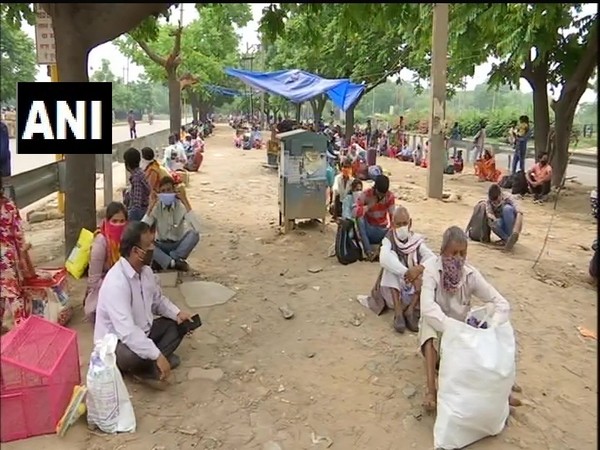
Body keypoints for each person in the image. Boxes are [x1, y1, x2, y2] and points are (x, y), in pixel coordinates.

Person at [419, 226, 519, 412]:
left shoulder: (470, 275)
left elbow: (500, 302)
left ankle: (501, 390)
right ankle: (431, 391)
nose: (458, 258)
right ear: (443, 252)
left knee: (488, 322)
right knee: (427, 325)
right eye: (453, 253)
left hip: (461, 337)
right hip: (442, 332)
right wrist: (451, 327)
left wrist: (493, 326)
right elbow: (427, 307)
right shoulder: (432, 270)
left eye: (462, 253)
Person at [94, 221, 195, 389]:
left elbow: (157, 301)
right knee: (130, 355)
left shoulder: (146, 271)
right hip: (119, 344)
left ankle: (148, 366)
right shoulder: (116, 283)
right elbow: (127, 332)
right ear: (135, 251)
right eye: (149, 246)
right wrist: (157, 355)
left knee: (179, 325)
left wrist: (177, 313)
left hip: (143, 332)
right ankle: (149, 365)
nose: (153, 249)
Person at [368, 206, 435, 333]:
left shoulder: (416, 240)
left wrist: (418, 269)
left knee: (425, 269)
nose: (402, 227)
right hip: (393, 294)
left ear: (410, 223)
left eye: (405, 223)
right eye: (398, 224)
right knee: (390, 262)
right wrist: (407, 273)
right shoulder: (388, 240)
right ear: (392, 225)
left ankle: (410, 311)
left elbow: (432, 258)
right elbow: (384, 259)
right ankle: (398, 313)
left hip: (413, 292)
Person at [142, 176, 200, 272]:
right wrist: (150, 206)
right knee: (145, 242)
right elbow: (142, 228)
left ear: (174, 190)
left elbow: (197, 228)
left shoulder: (180, 206)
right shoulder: (156, 207)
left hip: (176, 246)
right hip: (161, 245)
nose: (166, 193)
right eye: (163, 191)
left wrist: (185, 200)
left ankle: (167, 261)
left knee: (194, 235)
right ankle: (174, 263)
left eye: (169, 190)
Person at [84, 202, 128, 324]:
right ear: (107, 221)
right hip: (104, 286)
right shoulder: (101, 243)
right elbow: (93, 280)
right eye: (114, 221)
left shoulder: (127, 238)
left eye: (122, 221)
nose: (118, 225)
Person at [0, 178, 34, 333]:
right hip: (6, 257)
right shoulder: (8, 206)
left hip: (5, 257)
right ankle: (22, 329)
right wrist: (23, 254)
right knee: (13, 293)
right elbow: (18, 235)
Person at [355, 175, 396, 261]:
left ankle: (379, 251)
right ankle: (368, 252)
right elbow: (355, 212)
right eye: (379, 194)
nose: (381, 197)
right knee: (359, 219)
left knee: (394, 228)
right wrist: (369, 206)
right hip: (368, 229)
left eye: (383, 195)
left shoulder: (389, 197)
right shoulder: (366, 194)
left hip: (381, 231)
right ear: (375, 189)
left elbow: (393, 219)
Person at [486, 184, 523, 250]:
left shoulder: (508, 197)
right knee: (493, 223)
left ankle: (510, 236)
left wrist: (516, 230)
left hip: (511, 222)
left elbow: (519, 211)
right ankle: (507, 239)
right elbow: (489, 213)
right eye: (494, 202)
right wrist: (494, 219)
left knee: (507, 209)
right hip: (500, 221)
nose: (495, 203)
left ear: (500, 195)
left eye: (497, 200)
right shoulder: (489, 201)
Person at [123, 147, 151, 221]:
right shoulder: (141, 172)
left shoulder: (136, 178)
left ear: (127, 164)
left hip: (141, 212)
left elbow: (136, 204)